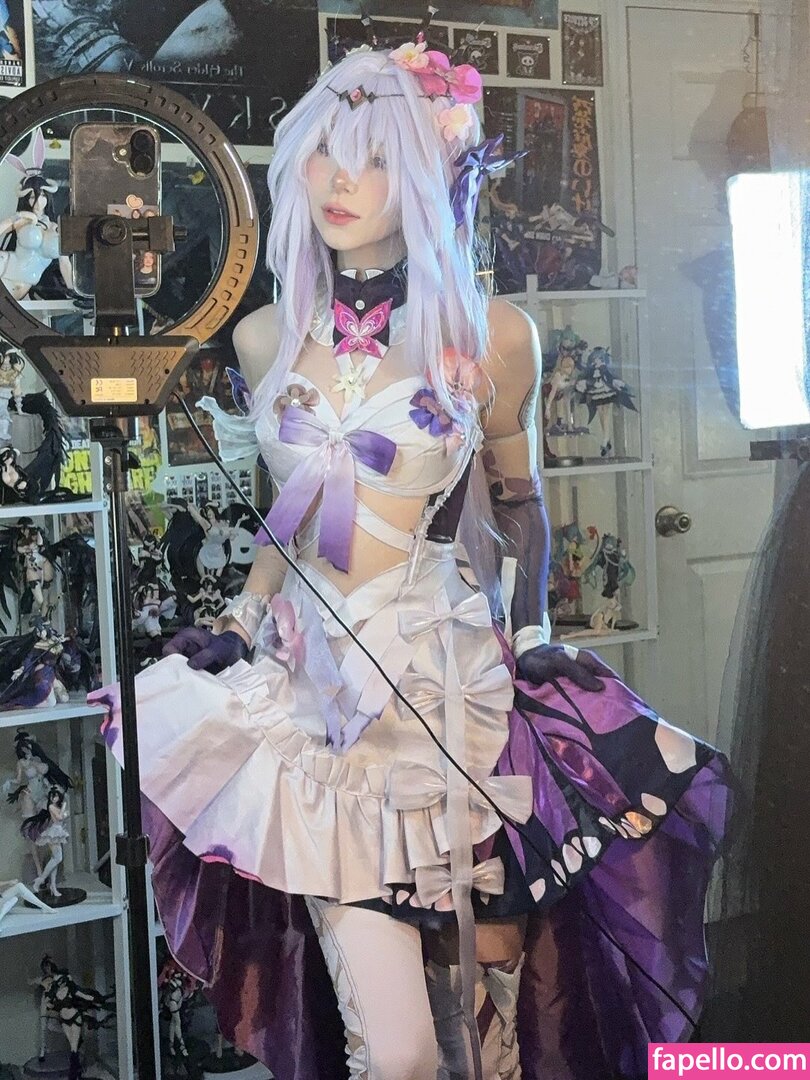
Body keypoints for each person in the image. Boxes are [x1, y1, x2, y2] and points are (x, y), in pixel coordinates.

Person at [93, 39, 732, 1080]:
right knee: (396, 1054)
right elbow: (291, 522)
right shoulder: (264, 339)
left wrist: (532, 628)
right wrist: (242, 622)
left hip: (452, 687)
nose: (341, 182)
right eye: (325, 154)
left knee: (490, 1008)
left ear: (432, 174)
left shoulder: (493, 337)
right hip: (317, 702)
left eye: (378, 158)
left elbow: (522, 510)